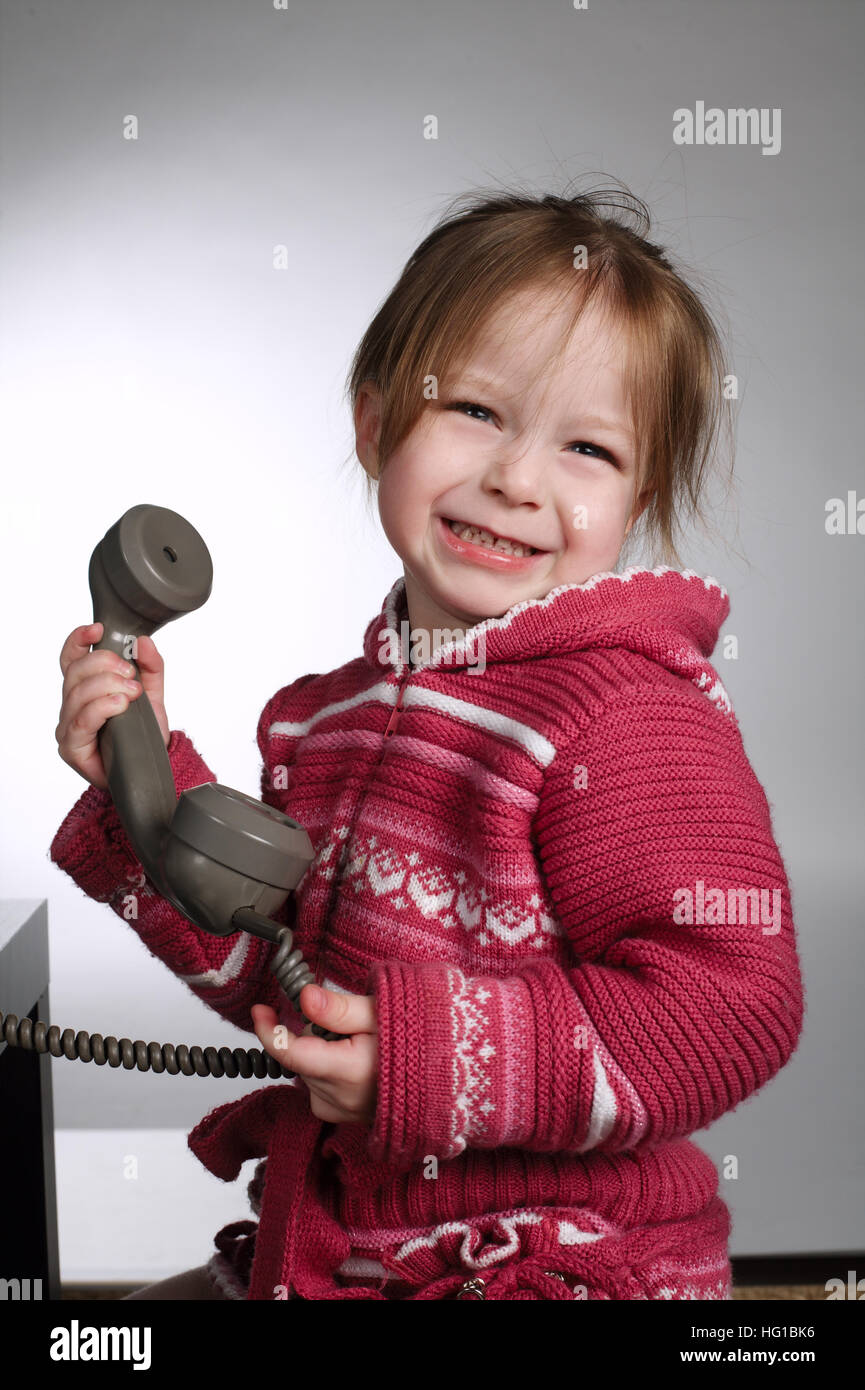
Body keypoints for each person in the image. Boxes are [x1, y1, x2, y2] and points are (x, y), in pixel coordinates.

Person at [51, 181, 804, 1301]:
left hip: (550, 1261)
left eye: (587, 449)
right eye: (477, 412)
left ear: (636, 496)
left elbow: (728, 1006)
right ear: (374, 423)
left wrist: (432, 1060)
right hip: (347, 1243)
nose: (515, 478)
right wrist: (147, 791)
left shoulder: (627, 716)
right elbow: (287, 983)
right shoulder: (327, 717)